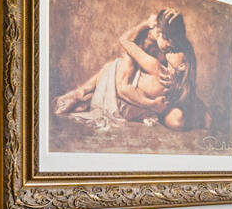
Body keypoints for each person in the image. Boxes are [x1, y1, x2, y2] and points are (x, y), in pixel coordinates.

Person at [53, 9, 200, 128]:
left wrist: (176, 20)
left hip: (137, 94)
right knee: (115, 65)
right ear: (158, 32)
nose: (170, 46)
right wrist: (145, 23)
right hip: (126, 84)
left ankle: (83, 98)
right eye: (168, 42)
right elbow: (124, 44)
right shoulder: (148, 44)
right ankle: (81, 94)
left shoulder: (174, 52)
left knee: (113, 73)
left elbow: (185, 54)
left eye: (173, 45)